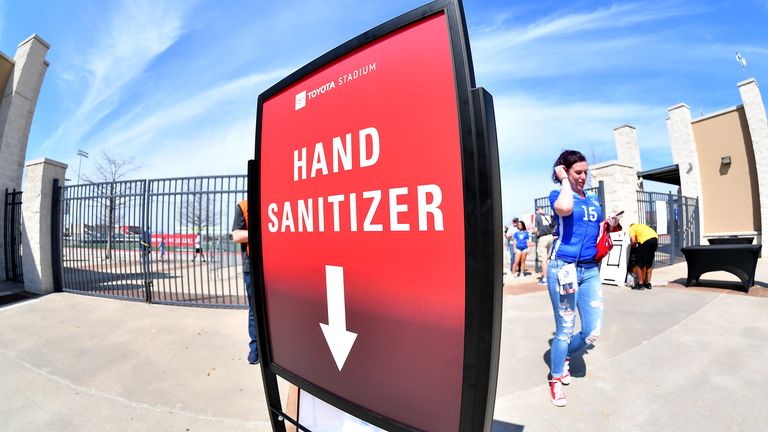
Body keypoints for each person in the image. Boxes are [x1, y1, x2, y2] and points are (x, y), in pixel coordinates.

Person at [546, 149, 603, 407]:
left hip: (590, 271)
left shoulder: (592, 200)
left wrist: (608, 223)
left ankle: (565, 355)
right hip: (564, 269)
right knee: (565, 330)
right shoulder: (559, 194)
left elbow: (594, 226)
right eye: (577, 172)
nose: (583, 177)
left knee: (592, 331)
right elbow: (565, 209)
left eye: (585, 172)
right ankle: (556, 378)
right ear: (564, 170)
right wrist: (563, 181)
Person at [231, 199, 258, 365]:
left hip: (275, 265)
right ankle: (255, 349)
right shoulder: (244, 206)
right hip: (252, 266)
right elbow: (236, 235)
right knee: (255, 309)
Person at [629, 223, 659, 290]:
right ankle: (648, 284)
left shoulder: (631, 228)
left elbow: (633, 241)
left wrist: (633, 246)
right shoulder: (641, 226)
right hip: (655, 239)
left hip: (645, 241)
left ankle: (640, 284)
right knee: (649, 262)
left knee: (638, 263)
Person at [534, 206, 555, 285]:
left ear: (537, 210)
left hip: (543, 238)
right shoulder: (547, 216)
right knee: (548, 259)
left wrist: (537, 234)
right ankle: (550, 277)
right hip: (550, 236)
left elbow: (535, 230)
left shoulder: (537, 217)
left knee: (543, 259)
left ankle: (545, 278)